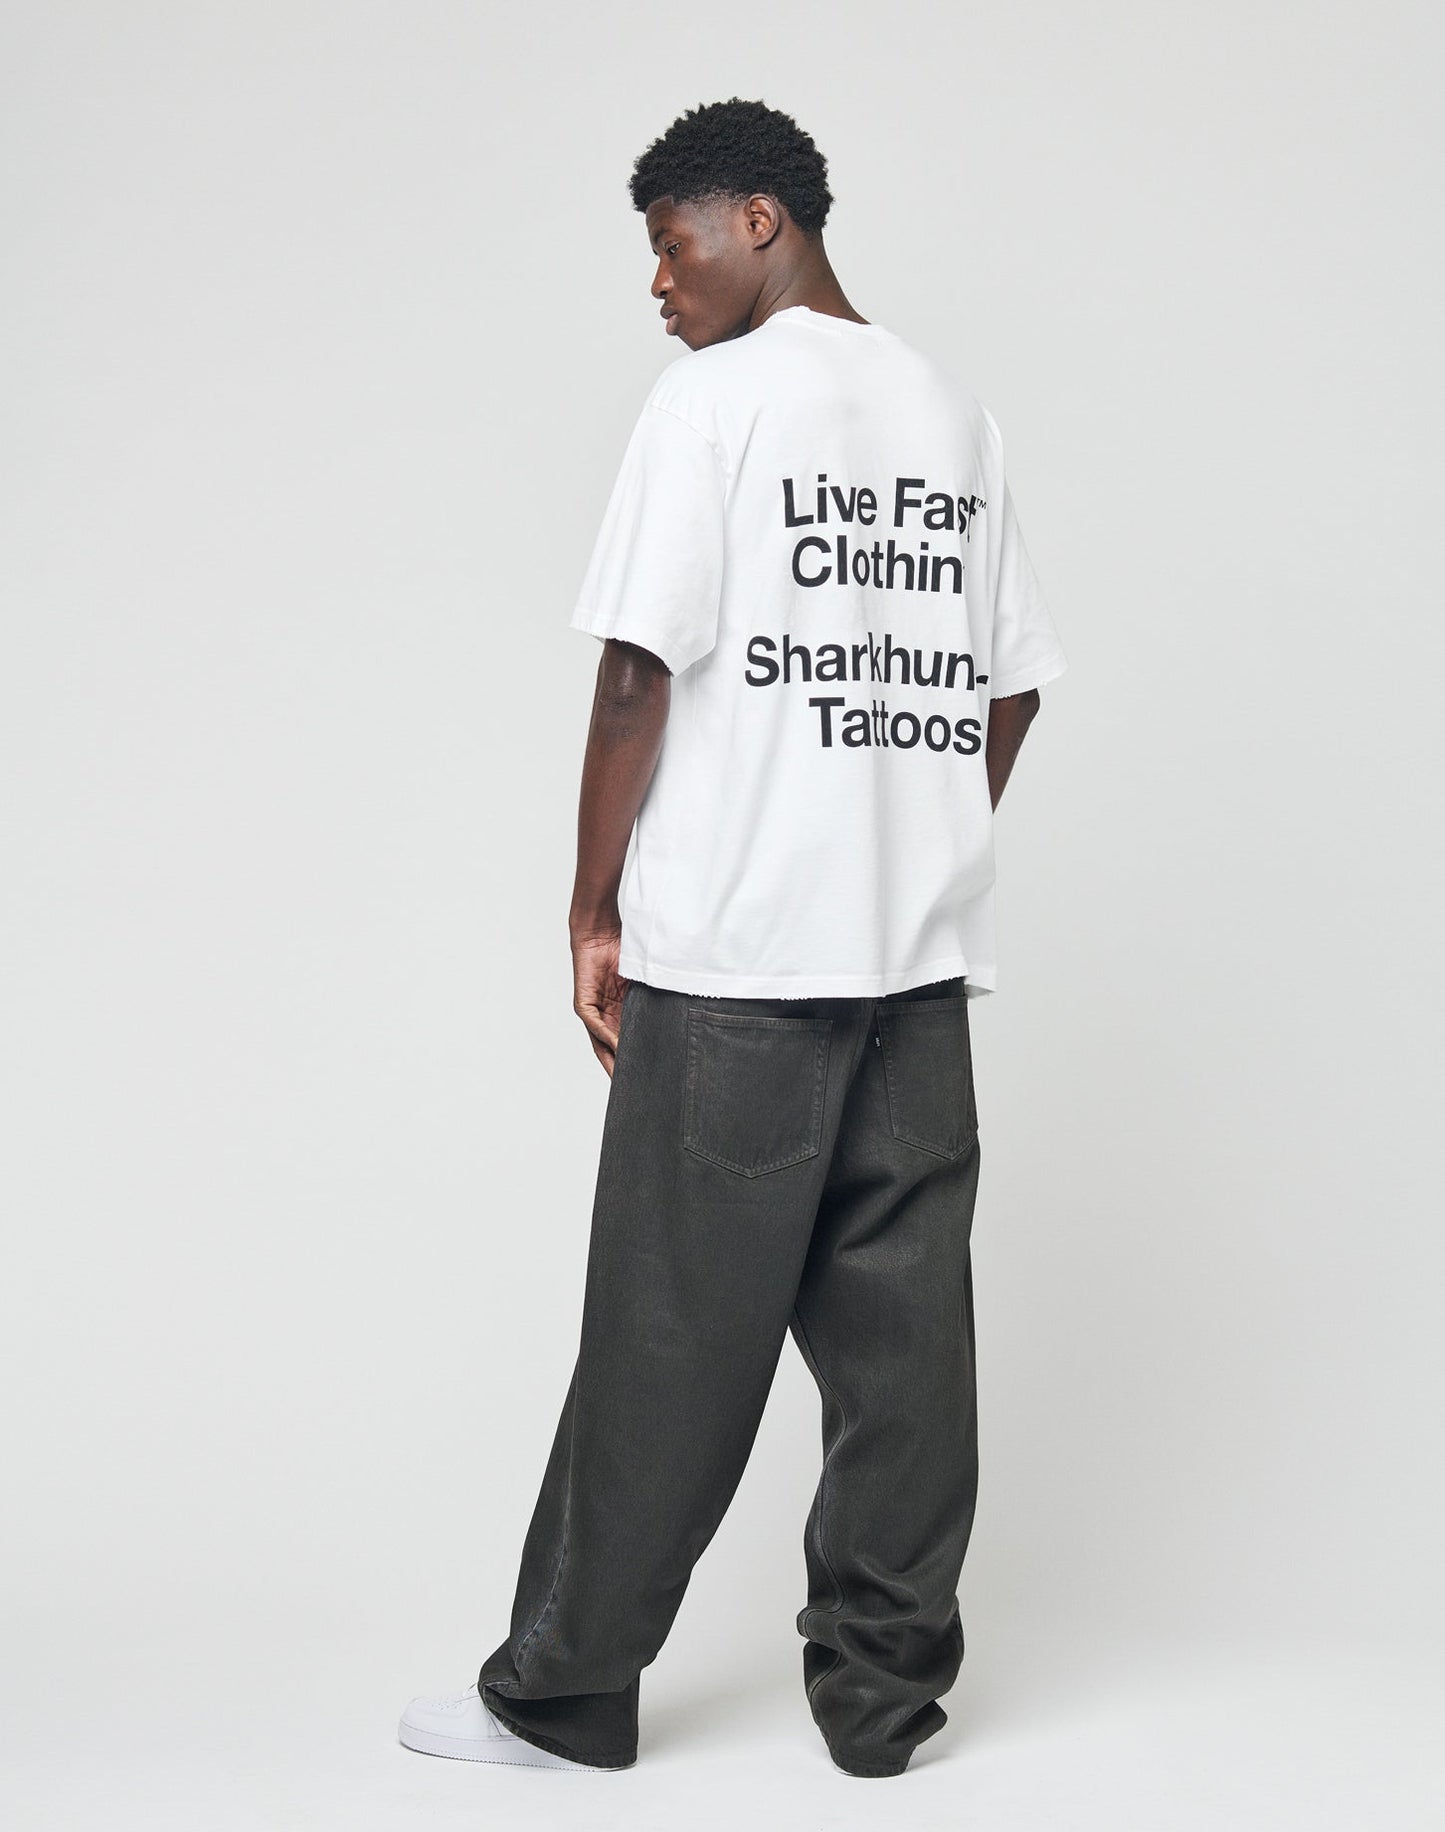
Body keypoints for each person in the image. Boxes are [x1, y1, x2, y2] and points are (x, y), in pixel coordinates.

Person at [398, 95, 1068, 1780]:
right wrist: (920, 832)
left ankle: (561, 1697)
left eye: (670, 238)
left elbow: (638, 668)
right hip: (909, 968)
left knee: (667, 1333)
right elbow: (1012, 677)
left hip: (743, 970)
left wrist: (589, 902)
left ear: (759, 217)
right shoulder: (949, 408)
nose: (658, 280)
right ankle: (882, 1704)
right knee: (904, 1346)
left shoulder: (713, 404)